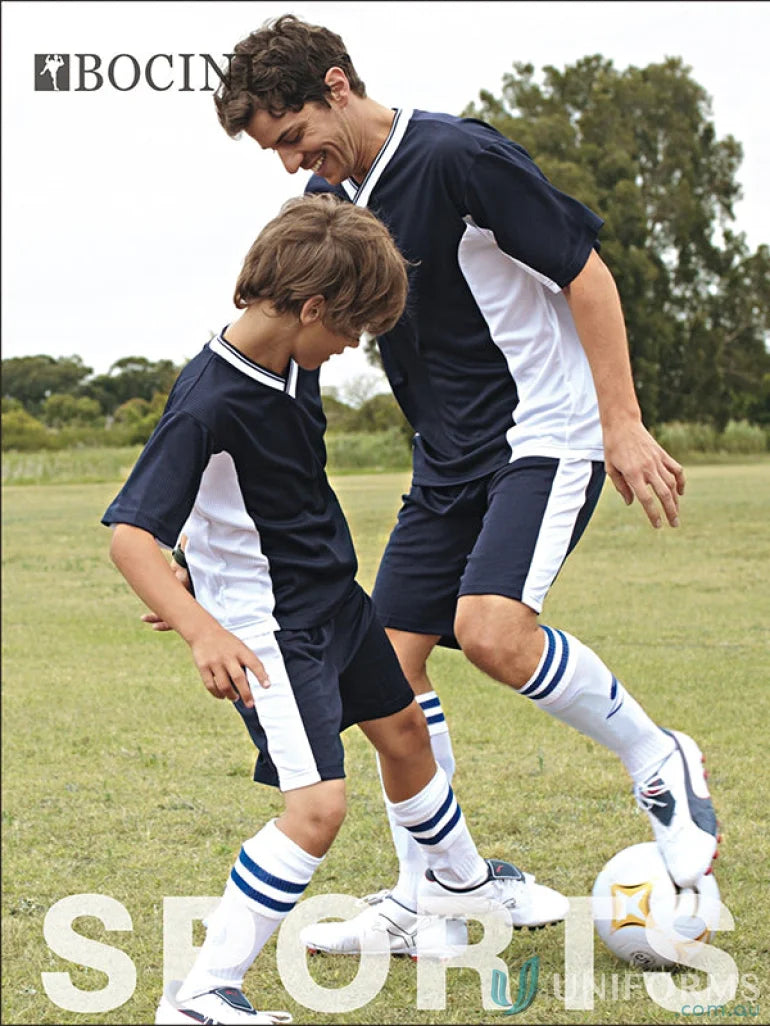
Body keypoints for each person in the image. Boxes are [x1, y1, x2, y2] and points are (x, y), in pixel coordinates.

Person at [211, 15, 720, 958]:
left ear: (336, 85)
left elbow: (588, 275)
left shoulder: (455, 156)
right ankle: (437, 895)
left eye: (292, 136)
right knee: (385, 680)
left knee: (492, 631)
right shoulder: (338, 199)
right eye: (274, 152)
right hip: (444, 463)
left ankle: (659, 758)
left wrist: (622, 423)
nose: (290, 165)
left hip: (543, 433)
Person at [103, 195, 569, 1026]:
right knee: (317, 808)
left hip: (336, 603)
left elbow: (237, 502)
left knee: (406, 734)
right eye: (350, 329)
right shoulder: (208, 400)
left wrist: (194, 575)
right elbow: (133, 535)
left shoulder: (294, 360)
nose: (352, 346)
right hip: (271, 632)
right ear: (311, 308)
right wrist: (201, 622)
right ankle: (201, 995)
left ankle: (460, 890)